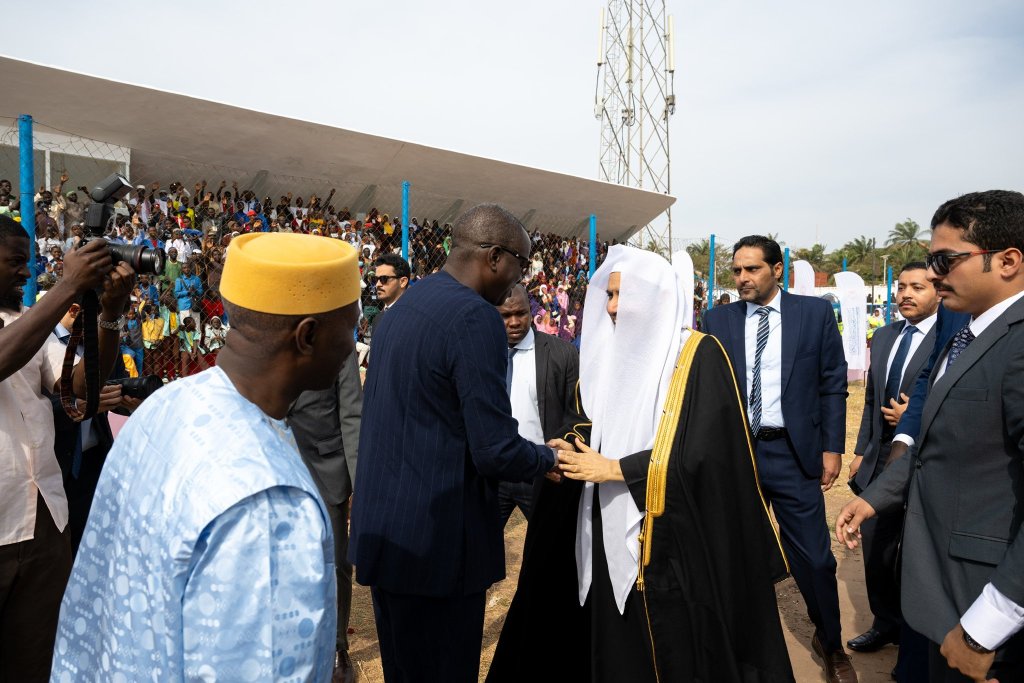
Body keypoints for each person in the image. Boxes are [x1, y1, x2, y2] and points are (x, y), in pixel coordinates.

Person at [51, 232, 362, 680]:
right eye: (348, 328)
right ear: (308, 335)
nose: (353, 345)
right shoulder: (269, 504)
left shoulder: (164, 406)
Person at [489, 245, 793, 682]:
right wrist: (571, 446)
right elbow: (589, 419)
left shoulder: (698, 355)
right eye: (608, 295)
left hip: (669, 539)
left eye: (621, 295)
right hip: (603, 521)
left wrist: (616, 470)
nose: (611, 307)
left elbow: (707, 455)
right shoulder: (607, 354)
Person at [349, 204, 557, 682]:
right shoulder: (474, 318)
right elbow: (494, 448)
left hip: (389, 538)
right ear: (495, 256)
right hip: (437, 551)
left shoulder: (401, 312)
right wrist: (548, 457)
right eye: (521, 264)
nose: (520, 276)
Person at [837, 190, 1024, 682]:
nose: (934, 273)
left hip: (978, 603)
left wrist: (987, 628)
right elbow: (937, 447)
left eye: (945, 259)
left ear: (1007, 261)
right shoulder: (965, 330)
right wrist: (876, 498)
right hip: (933, 591)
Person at [703, 235, 855, 683]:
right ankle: (735, 647)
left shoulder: (813, 314)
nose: (742, 278)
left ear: (776, 271)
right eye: (736, 271)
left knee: (815, 559)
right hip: (736, 456)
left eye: (751, 269)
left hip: (793, 454)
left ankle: (830, 642)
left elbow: (832, 383)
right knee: (731, 556)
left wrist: (832, 447)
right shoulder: (716, 319)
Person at [0, 214, 133, 681]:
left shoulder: (23, 323)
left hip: (43, 521)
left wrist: (110, 315)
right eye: (16, 262)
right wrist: (67, 288)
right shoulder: (28, 326)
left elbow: (78, 385)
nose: (26, 272)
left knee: (38, 663)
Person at [847, 262, 939, 661]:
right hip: (880, 457)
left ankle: (919, 629)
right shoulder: (884, 336)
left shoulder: (950, 338)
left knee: (917, 547)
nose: (906, 294)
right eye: (901, 286)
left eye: (917, 287)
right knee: (875, 545)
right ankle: (885, 622)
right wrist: (860, 452)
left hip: (925, 456)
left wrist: (914, 417)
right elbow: (870, 401)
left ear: (937, 291)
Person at [287, 352, 363, 683]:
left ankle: (336, 646)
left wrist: (360, 486)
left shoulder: (337, 341)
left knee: (334, 563)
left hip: (326, 473)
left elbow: (351, 416)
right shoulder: (262, 331)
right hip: (272, 467)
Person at [494, 284, 583, 526]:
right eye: (505, 315)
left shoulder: (563, 354)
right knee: (480, 552)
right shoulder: (484, 353)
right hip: (495, 474)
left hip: (542, 473)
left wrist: (559, 458)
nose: (513, 322)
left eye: (520, 314)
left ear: (531, 312)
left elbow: (576, 413)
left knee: (548, 551)